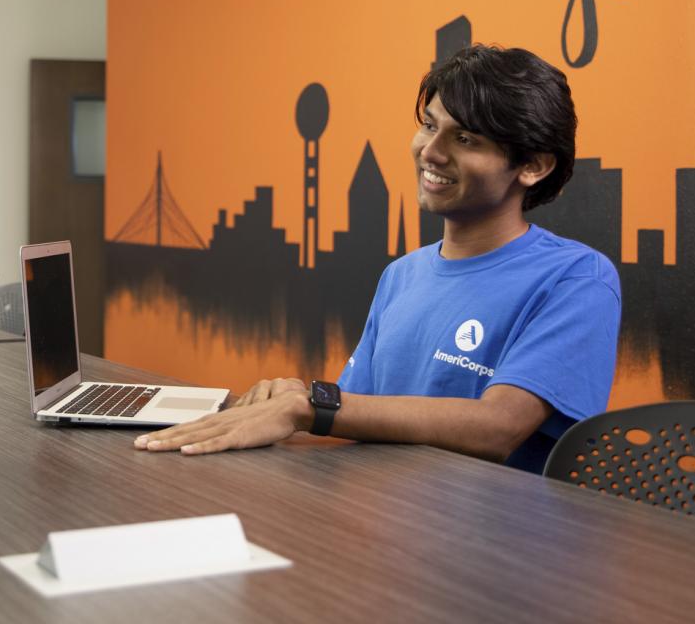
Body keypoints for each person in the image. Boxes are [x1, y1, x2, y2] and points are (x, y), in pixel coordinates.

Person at [135, 44, 620, 472]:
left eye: (466, 139)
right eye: (429, 126)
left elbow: (499, 427)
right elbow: (355, 413)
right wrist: (287, 400)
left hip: (497, 556)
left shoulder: (576, 278)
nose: (431, 152)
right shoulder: (401, 276)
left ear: (533, 166)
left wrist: (309, 408)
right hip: (386, 530)